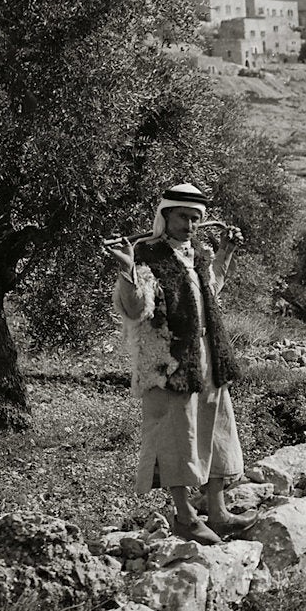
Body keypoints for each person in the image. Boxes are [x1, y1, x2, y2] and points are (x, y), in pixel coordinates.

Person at [103, 183, 249, 544]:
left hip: (207, 351)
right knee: (176, 434)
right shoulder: (146, 254)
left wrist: (225, 253)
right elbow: (136, 309)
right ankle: (184, 516)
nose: (190, 225)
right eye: (183, 216)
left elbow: (208, 290)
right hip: (168, 359)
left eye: (196, 219)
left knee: (215, 425)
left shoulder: (196, 252)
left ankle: (217, 512)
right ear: (165, 215)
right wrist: (127, 270)